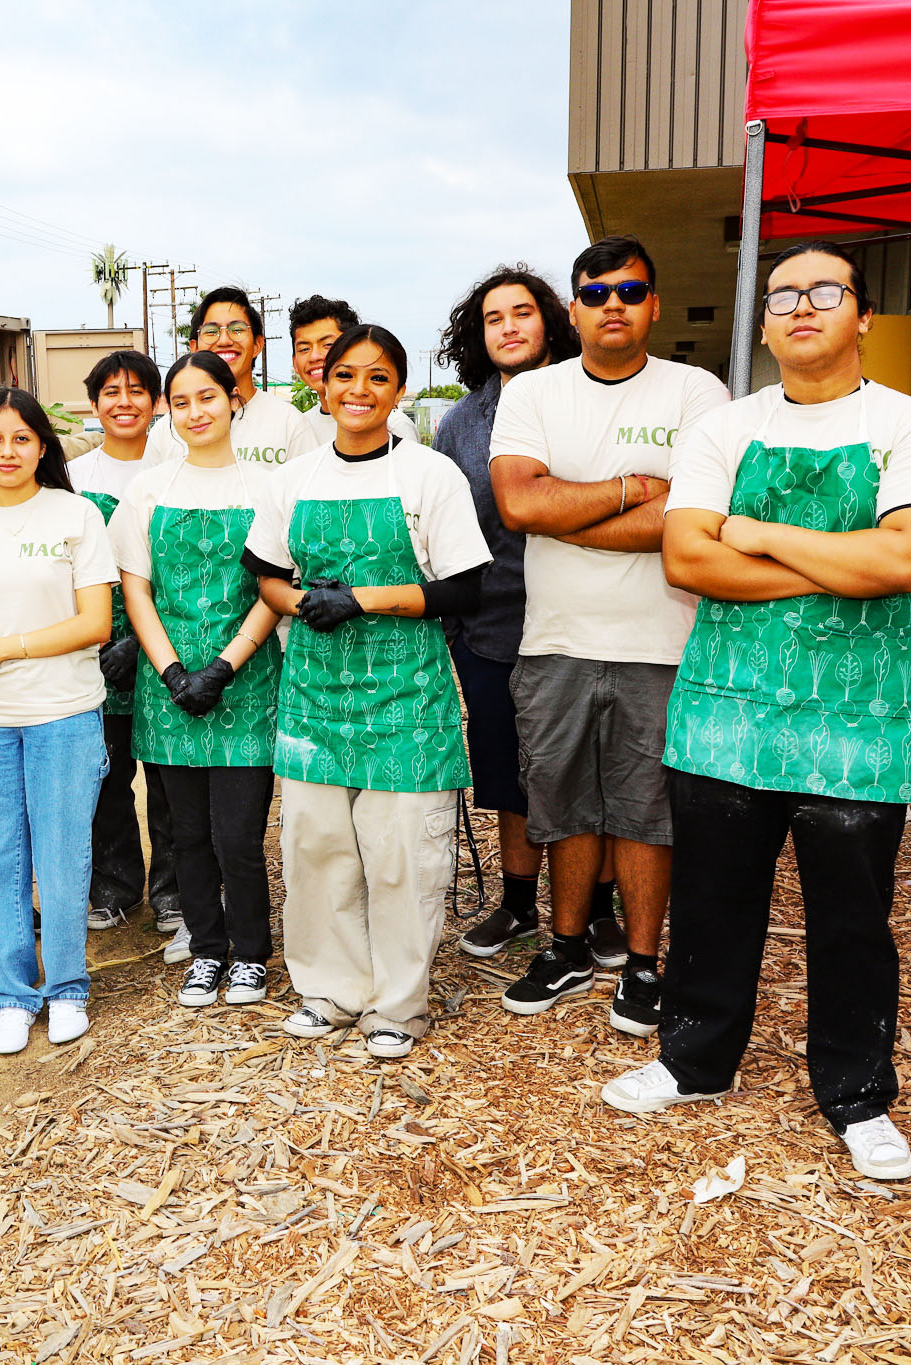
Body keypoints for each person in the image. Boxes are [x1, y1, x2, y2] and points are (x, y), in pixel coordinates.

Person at [603, 241, 911, 1182]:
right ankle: (693, 1058)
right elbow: (689, 561)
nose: (802, 307)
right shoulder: (726, 427)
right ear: (764, 321)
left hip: (856, 721)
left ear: (862, 315)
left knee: (852, 916)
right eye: (782, 295)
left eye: (825, 292)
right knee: (714, 903)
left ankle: (857, 1093)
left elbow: (901, 564)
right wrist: (837, 556)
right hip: (726, 710)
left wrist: (754, 533)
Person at [488, 235, 730, 1037]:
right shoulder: (533, 395)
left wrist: (570, 512)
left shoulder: (697, 393)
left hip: (662, 640)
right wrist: (633, 490)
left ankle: (644, 963)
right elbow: (520, 507)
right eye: (595, 294)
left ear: (653, 303)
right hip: (555, 638)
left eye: (629, 291)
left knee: (644, 808)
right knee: (563, 801)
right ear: (574, 309)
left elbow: (694, 517)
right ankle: (564, 945)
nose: (612, 305)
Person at [245, 325, 491, 1059]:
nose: (358, 390)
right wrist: (299, 604)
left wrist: (363, 598)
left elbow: (464, 587)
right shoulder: (293, 477)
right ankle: (329, 989)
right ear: (321, 386)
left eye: (377, 377)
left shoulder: (429, 475)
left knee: (401, 853)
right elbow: (263, 570)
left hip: (407, 694)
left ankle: (397, 1003)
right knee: (317, 848)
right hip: (315, 693)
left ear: (399, 390)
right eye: (344, 375)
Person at [0, 389, 116, 1055]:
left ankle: (68, 985)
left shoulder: (76, 515)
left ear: (43, 445)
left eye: (21, 438)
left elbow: (95, 623)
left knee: (62, 855)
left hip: (63, 712)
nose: (7, 451)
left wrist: (2, 648)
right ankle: (14, 994)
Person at [113, 351, 281, 1009]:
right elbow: (136, 588)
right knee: (185, 836)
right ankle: (208, 950)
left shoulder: (267, 486)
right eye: (180, 401)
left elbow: (276, 583)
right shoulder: (148, 490)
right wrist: (174, 670)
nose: (195, 412)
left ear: (234, 398)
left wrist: (223, 665)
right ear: (167, 410)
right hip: (168, 689)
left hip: (246, 682)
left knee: (238, 835)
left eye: (206, 396)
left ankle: (253, 953)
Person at [430, 266, 583, 962]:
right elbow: (438, 524)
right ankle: (519, 902)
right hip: (490, 624)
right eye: (495, 318)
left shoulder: (584, 397)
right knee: (508, 775)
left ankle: (597, 909)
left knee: (584, 770)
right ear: (479, 333)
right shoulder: (460, 422)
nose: (510, 326)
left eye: (523, 312)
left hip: (584, 617)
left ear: (549, 321)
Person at [67, 350, 181, 950]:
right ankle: (113, 887)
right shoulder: (75, 477)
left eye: (138, 391)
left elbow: (184, 575)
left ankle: (173, 892)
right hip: (94, 650)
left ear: (157, 402)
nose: (125, 402)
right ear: (94, 405)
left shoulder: (178, 471)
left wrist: (141, 641)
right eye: (111, 392)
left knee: (166, 778)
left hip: (165, 647)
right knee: (105, 776)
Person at [146, 286, 321, 469]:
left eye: (237, 330)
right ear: (194, 347)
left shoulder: (289, 424)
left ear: (257, 345)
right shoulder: (166, 432)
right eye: (211, 331)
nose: (224, 341)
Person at [288, 295, 414, 444]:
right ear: (294, 362)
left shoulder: (393, 425)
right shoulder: (300, 427)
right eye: (304, 348)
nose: (315, 356)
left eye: (328, 344)